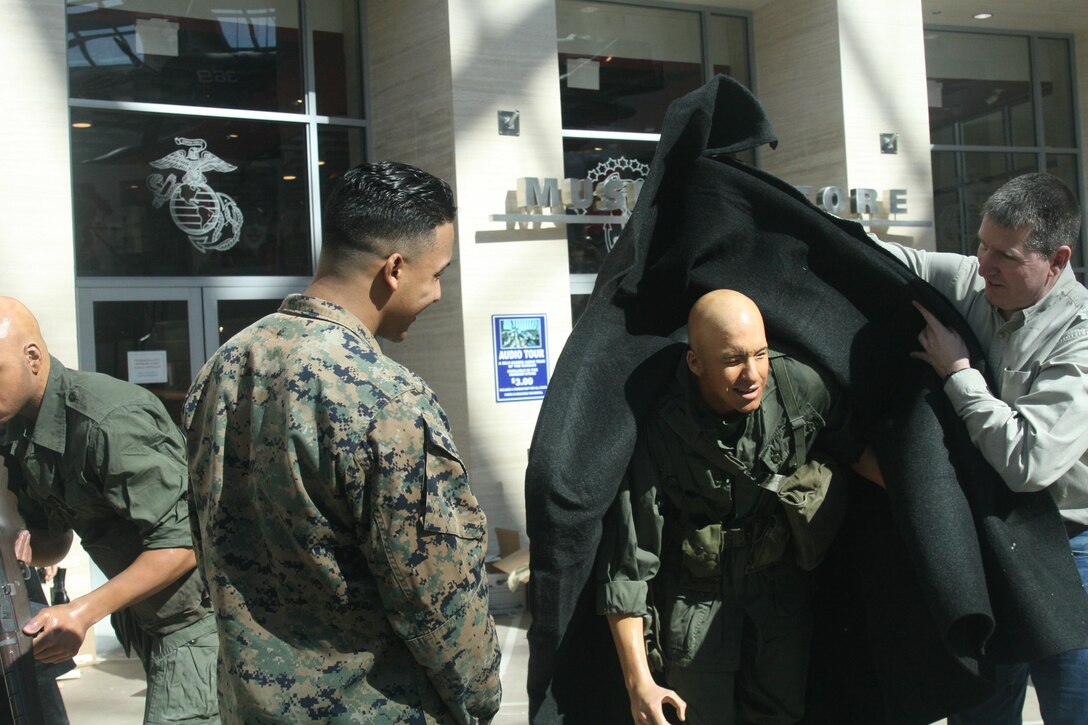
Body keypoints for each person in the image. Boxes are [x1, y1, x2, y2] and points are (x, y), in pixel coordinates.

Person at [184, 160, 502, 724]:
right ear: (395, 269)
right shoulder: (385, 397)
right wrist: (480, 698)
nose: (437, 293)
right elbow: (436, 595)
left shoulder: (221, 368)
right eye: (437, 274)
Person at [596, 289, 882, 725]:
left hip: (780, 601)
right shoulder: (661, 422)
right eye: (732, 360)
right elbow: (631, 563)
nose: (752, 374)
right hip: (693, 605)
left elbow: (860, 452)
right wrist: (640, 684)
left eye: (761, 354)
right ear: (695, 363)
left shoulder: (798, 388)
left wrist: (935, 496)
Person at [875, 172, 1088, 724]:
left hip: (1071, 549)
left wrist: (959, 374)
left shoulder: (1081, 335)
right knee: (980, 709)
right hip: (989, 543)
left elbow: (1029, 462)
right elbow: (881, 256)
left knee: (1072, 706)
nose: (984, 265)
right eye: (981, 245)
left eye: (1006, 256)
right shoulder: (973, 281)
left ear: (1057, 260)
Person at [0, 297, 219, 725]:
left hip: (198, 627)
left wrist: (81, 612)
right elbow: (54, 542)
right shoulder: (20, 431)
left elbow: (186, 541)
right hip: (149, 620)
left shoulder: (107, 419)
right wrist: (22, 550)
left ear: (32, 357)